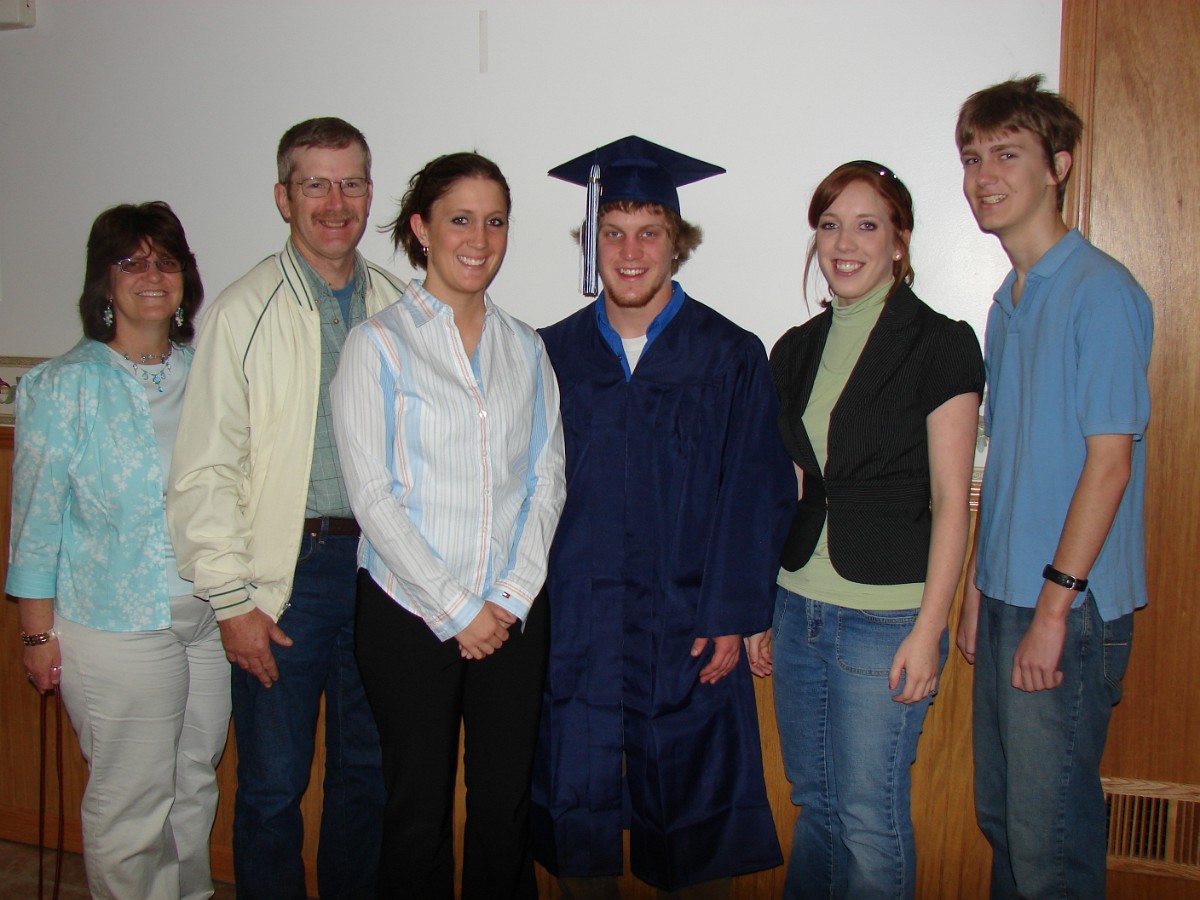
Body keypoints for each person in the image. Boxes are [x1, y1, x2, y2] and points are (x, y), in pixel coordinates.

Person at [532, 135, 794, 896]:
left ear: (677, 243)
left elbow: (755, 491)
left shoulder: (729, 354)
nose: (630, 251)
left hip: (689, 625)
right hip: (576, 626)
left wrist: (733, 615)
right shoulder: (550, 353)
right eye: (613, 232)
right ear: (592, 244)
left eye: (650, 232)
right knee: (577, 808)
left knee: (689, 810)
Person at [168, 117, 401, 898]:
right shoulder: (244, 311)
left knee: (366, 775)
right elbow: (203, 470)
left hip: (382, 575)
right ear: (283, 197)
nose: (336, 202)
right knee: (272, 787)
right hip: (285, 579)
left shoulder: (403, 306)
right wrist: (233, 602)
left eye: (351, 183)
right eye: (315, 185)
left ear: (370, 193)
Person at [330, 151, 565, 899]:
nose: (480, 238)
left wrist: (510, 597)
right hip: (407, 613)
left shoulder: (526, 347)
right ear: (422, 229)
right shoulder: (377, 345)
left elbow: (546, 479)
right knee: (415, 810)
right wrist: (458, 609)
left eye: (495, 221)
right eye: (460, 218)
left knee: (503, 808)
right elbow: (373, 497)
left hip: (512, 613)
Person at [955, 76, 1153, 899]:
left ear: (1058, 165)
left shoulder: (1099, 289)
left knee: (1051, 850)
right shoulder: (1008, 302)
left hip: (1067, 608)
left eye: (1006, 155)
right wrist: (977, 588)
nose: (984, 177)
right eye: (972, 158)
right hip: (1008, 596)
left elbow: (1110, 464)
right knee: (1004, 822)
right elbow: (1007, 460)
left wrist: (1051, 611)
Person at [765, 161, 983, 898]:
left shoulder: (940, 344)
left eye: (867, 225)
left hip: (885, 619)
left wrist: (929, 629)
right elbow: (788, 489)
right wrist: (759, 607)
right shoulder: (795, 348)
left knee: (867, 819)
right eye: (830, 226)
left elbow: (952, 500)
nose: (845, 243)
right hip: (796, 604)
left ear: (899, 240)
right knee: (815, 806)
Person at [7, 202, 229, 899]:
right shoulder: (61, 385)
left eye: (166, 261)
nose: (151, 275)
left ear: (185, 279)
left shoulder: (211, 374)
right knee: (132, 800)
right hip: (115, 623)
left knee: (194, 781)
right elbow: (36, 519)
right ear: (104, 282)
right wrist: (36, 633)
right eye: (131, 262)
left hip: (211, 617)